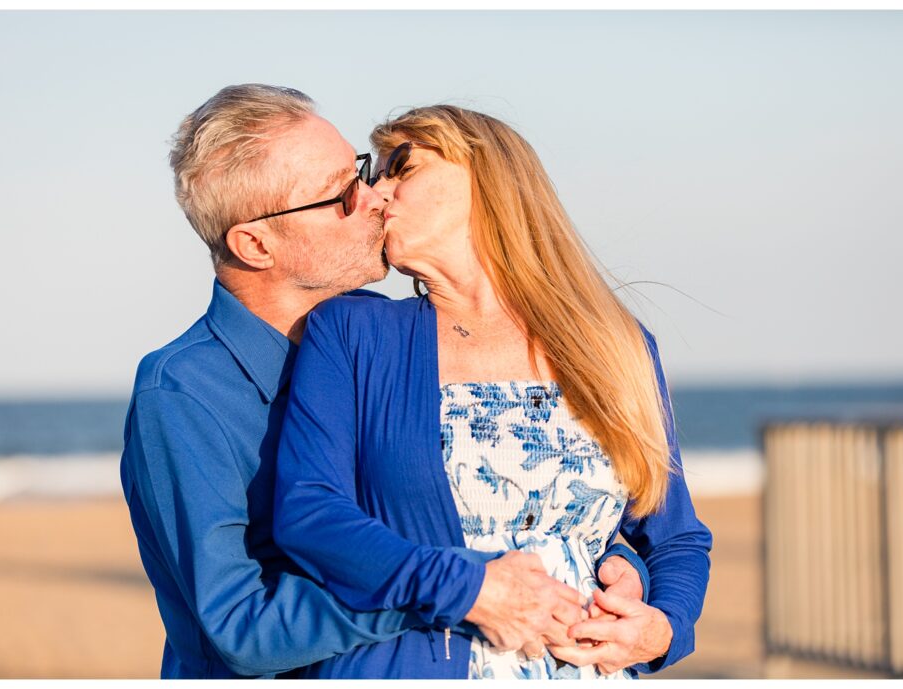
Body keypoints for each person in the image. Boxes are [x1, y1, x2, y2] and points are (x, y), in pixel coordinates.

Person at [119, 84, 649, 679]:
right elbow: (243, 628)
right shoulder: (183, 393)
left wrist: (605, 559)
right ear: (255, 244)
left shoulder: (379, 342)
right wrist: (460, 590)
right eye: (340, 194)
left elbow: (470, 507)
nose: (375, 197)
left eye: (362, 173)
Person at [272, 106, 714, 679]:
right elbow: (310, 513)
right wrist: (470, 589)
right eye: (374, 175)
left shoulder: (616, 344)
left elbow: (674, 538)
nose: (377, 193)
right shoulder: (352, 333)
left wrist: (662, 629)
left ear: (490, 175)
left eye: (401, 166)